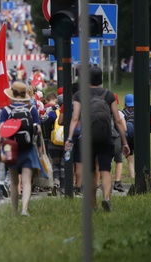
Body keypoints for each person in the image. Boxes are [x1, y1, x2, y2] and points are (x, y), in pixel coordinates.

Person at [65, 68, 130, 212]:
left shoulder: (79, 95)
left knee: (91, 172)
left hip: (87, 139)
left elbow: (75, 118)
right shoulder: (109, 95)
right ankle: (106, 198)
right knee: (105, 169)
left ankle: (93, 204)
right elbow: (118, 120)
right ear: (101, 79)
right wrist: (124, 142)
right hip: (106, 137)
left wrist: (69, 138)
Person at [0, 82, 43, 216]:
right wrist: (40, 147)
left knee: (14, 182)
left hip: (11, 149)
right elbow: (38, 129)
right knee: (26, 181)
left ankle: (14, 211)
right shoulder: (31, 109)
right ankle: (24, 209)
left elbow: (1, 131)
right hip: (28, 148)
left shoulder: (6, 110)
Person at [121, 94, 136, 179]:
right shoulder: (136, 112)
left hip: (127, 138)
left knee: (130, 159)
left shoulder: (123, 113)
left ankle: (132, 176)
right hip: (136, 137)